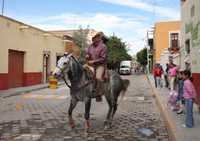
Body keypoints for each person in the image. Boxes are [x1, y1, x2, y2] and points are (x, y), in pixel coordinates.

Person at [85, 32, 107, 102]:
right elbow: (88, 53)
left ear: (98, 38)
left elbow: (103, 58)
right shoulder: (90, 46)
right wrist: (87, 55)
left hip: (100, 65)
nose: (93, 40)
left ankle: (98, 94)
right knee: (81, 70)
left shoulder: (103, 46)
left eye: (95, 38)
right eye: (93, 38)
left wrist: (93, 61)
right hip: (90, 65)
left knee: (98, 77)